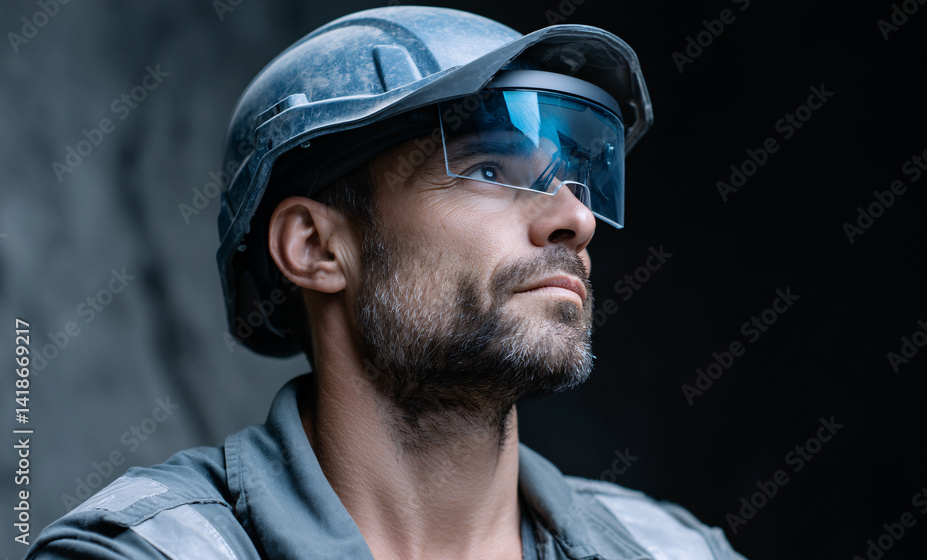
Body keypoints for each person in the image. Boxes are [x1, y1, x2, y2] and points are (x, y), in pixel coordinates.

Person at [26, 6, 746, 559]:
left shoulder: (672, 548)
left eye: (575, 179)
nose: (576, 219)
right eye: (492, 170)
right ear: (315, 248)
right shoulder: (148, 550)